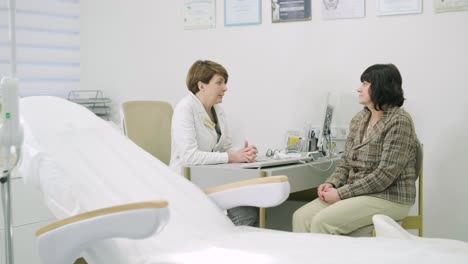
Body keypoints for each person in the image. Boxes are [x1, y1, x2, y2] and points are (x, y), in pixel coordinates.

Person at [292, 63, 419, 235]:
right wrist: (331, 183)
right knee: (300, 217)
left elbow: (384, 176)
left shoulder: (399, 120)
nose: (359, 89)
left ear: (382, 86)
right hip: (358, 194)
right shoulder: (360, 118)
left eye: (365, 84)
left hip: (390, 196)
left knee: (323, 222)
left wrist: (341, 193)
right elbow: (346, 162)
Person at [170, 60, 259, 227]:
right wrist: (232, 157)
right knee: (245, 212)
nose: (225, 88)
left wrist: (243, 153)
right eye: (219, 82)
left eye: (224, 82)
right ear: (201, 86)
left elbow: (224, 147)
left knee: (251, 205)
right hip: (188, 180)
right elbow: (190, 157)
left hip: (212, 177)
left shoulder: (218, 110)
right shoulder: (185, 109)